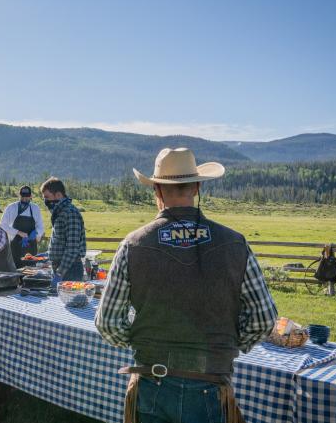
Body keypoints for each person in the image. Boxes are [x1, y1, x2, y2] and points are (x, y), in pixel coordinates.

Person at [95, 148, 278, 423]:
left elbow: (108, 323)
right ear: (197, 187)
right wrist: (228, 343)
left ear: (157, 190)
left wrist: (141, 340)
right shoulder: (236, 244)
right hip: (211, 383)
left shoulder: (133, 245)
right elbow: (264, 321)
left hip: (152, 381)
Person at [40, 177, 86, 281]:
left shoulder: (70, 213)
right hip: (61, 267)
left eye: (47, 197)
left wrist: (60, 273)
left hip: (70, 269)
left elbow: (72, 248)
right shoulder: (59, 212)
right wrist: (49, 254)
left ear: (58, 195)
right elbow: (60, 240)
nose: (45, 201)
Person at [1, 186, 44, 267]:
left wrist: (36, 233)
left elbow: (40, 226)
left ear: (31, 196)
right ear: (19, 195)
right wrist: (18, 232)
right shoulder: (11, 207)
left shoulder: (35, 208)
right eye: (23, 196)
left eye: (27, 196)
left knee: (31, 270)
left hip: (31, 245)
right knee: (16, 269)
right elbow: (3, 225)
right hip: (15, 245)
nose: (25, 198)